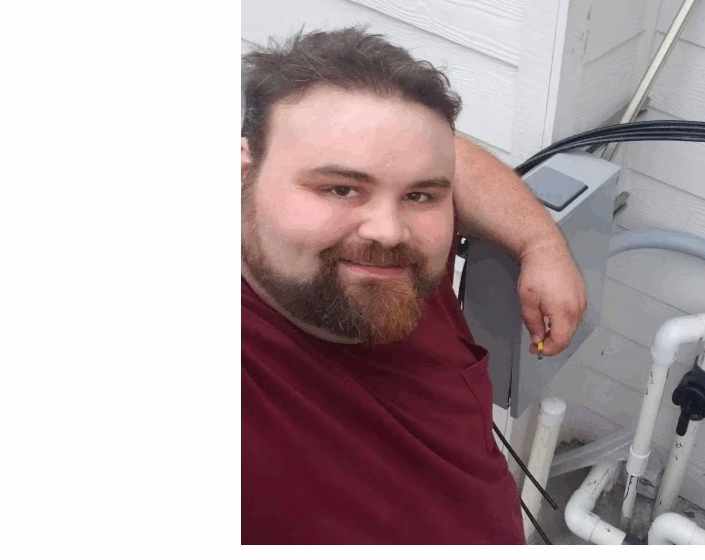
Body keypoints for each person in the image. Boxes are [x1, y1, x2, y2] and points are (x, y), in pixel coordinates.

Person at [241, 27, 587, 544]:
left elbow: (446, 159)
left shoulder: (393, 247)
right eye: (340, 188)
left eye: (421, 196)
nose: (388, 230)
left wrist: (542, 244)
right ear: (242, 172)